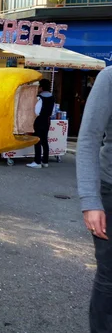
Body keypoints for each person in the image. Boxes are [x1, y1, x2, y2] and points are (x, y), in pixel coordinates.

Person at [76, 66, 112, 333]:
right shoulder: (109, 77)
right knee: (110, 278)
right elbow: (88, 138)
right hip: (111, 190)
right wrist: (91, 200)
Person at [26, 79, 55, 169]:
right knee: (45, 141)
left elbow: (37, 111)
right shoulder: (52, 97)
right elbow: (53, 112)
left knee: (37, 140)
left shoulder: (40, 97)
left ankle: (37, 162)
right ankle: (45, 161)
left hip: (39, 120)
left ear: (41, 88)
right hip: (47, 120)